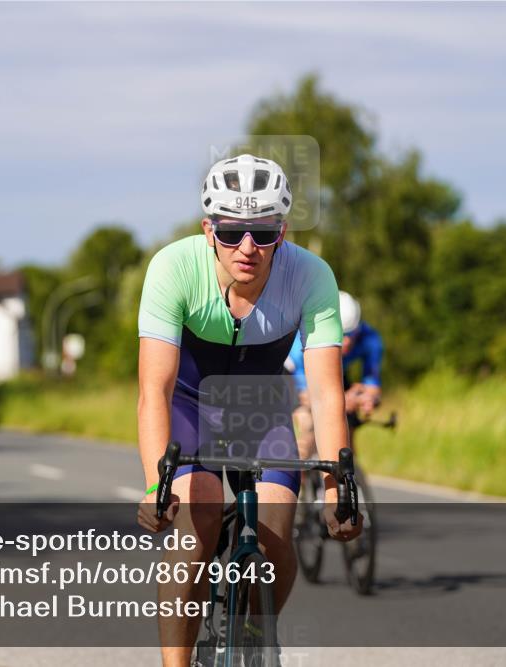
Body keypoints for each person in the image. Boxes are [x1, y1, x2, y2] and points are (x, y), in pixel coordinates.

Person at [135, 154, 361, 667]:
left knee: (277, 534)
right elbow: (154, 389)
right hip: (189, 407)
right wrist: (154, 486)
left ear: (282, 232)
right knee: (198, 524)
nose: (247, 247)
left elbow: (327, 393)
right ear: (208, 230)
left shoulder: (310, 275)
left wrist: (336, 491)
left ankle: (257, 633)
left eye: (262, 233)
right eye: (232, 231)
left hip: (261, 411)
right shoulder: (173, 267)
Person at [286, 291, 384, 463]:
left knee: (346, 431)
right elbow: (307, 395)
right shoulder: (304, 339)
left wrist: (367, 399)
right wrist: (343, 400)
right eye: (341, 334)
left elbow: (372, 386)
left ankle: (346, 472)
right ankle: (298, 473)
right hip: (292, 377)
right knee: (308, 429)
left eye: (351, 335)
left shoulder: (370, 339)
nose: (346, 342)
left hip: (332, 374)